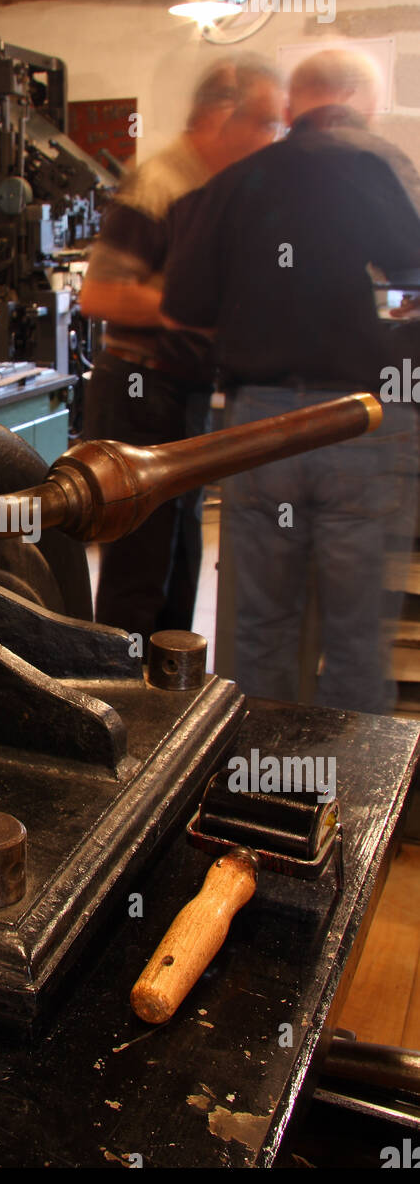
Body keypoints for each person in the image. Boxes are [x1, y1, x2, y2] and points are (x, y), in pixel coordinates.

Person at [161, 49, 420, 714]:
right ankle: (351, 803)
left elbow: (184, 304)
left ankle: (256, 796)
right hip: (360, 418)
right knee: (356, 637)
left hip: (260, 427)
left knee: (257, 632)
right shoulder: (377, 164)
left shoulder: (238, 180)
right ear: (361, 99)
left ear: (292, 104)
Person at [79, 60, 285, 644]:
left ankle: (170, 687)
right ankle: (120, 699)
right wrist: (193, 308)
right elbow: (99, 294)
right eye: (265, 123)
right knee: (138, 564)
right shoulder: (164, 182)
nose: (271, 140)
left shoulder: (220, 187)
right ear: (221, 116)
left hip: (185, 388)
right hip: (140, 390)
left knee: (183, 551)